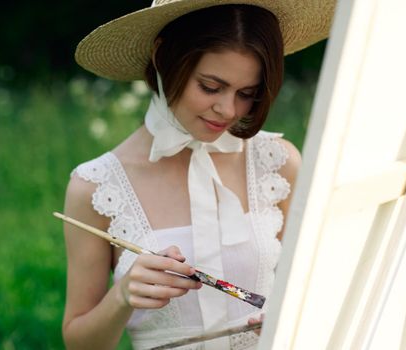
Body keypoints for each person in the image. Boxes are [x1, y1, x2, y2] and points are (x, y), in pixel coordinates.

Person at [62, 1, 333, 349]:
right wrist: (123, 296)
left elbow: (320, 292)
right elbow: (80, 344)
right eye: (210, 87)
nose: (228, 110)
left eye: (247, 94)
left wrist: (293, 319)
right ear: (163, 57)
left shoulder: (278, 164)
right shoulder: (96, 187)